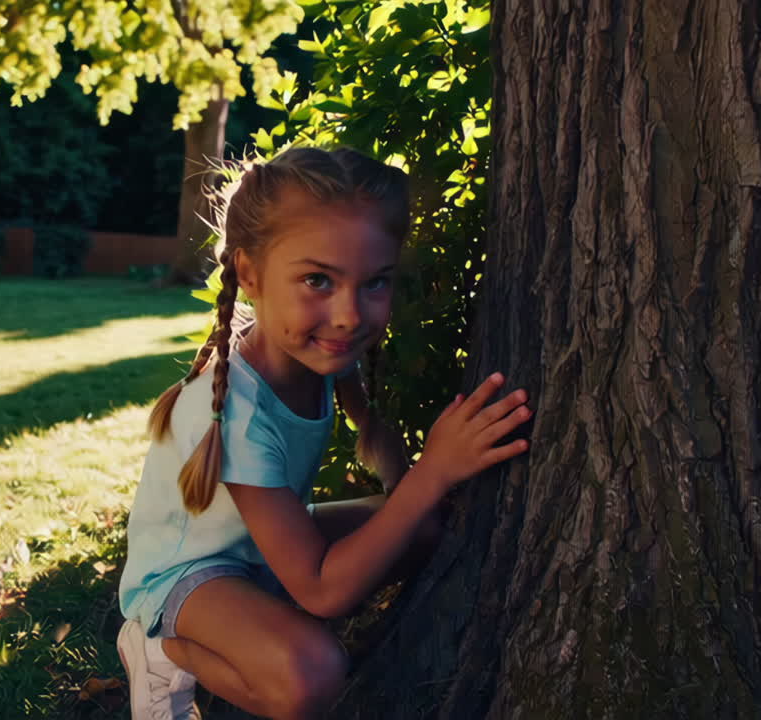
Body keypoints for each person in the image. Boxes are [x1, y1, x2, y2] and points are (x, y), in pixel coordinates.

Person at [116, 146, 532, 719]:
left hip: (267, 548)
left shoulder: (325, 359)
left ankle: (271, 627)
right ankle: (165, 654)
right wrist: (435, 472)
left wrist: (413, 484)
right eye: (318, 280)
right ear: (250, 273)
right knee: (312, 676)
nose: (349, 315)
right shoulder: (237, 409)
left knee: (425, 526)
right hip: (189, 578)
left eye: (375, 283)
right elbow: (319, 588)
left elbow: (380, 447)